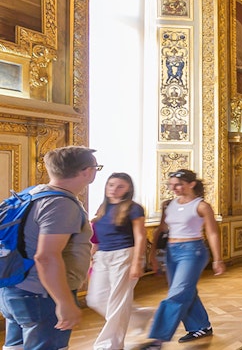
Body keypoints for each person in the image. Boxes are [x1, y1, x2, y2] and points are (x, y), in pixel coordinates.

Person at [0, 146, 97, 350]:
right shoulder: (61, 204)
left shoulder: (32, 194)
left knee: (15, 347)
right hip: (42, 294)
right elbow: (46, 257)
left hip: (15, 287)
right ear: (87, 171)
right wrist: (64, 301)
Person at [139, 169, 225, 349]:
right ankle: (200, 326)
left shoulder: (201, 206)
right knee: (186, 291)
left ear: (191, 184)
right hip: (171, 251)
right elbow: (161, 230)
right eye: (171, 185)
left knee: (177, 293)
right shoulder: (169, 204)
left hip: (192, 252)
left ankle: (157, 339)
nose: (174, 188)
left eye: (178, 184)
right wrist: (152, 254)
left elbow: (212, 233)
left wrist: (218, 259)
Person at [87, 171, 147, 350]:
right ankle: (139, 317)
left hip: (124, 254)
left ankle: (109, 345)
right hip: (102, 256)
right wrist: (91, 258)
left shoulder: (133, 208)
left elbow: (141, 236)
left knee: (117, 301)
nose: (114, 189)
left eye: (120, 186)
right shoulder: (102, 208)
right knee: (95, 299)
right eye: (111, 185)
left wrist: (137, 262)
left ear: (128, 189)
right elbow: (96, 238)